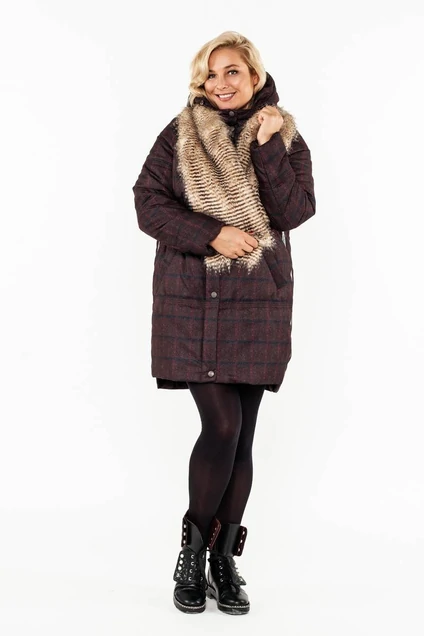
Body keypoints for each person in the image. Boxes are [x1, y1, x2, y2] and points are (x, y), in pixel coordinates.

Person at [132, 31, 316, 615]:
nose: (220, 83)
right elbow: (148, 202)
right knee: (222, 424)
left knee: (243, 434)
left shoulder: (285, 137)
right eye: (211, 74)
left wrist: (267, 147)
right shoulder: (181, 133)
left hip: (259, 300)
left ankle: (222, 562)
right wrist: (212, 233)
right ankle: (192, 556)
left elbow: (294, 211)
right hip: (195, 297)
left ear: (254, 76)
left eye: (232, 71)